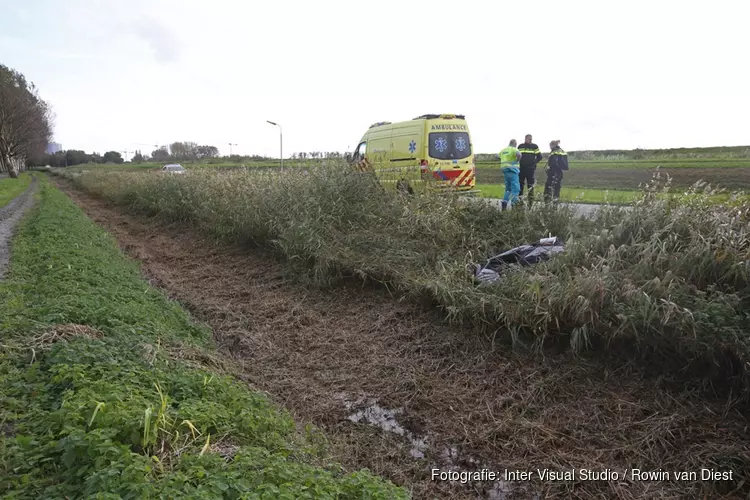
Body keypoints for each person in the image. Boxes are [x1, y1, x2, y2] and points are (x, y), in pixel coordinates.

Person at [518, 134, 543, 206]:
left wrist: (533, 163)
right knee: (520, 185)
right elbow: (516, 156)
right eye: (529, 139)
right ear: (525, 139)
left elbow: (540, 157)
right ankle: (520, 201)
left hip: (530, 169)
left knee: (530, 186)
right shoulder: (520, 146)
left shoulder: (535, 146)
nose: (530, 140)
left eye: (531, 139)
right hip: (521, 169)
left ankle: (530, 202)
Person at [499, 139, 522, 210]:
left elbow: (497, 156)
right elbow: (519, 154)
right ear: (515, 144)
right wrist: (517, 160)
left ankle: (504, 204)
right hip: (512, 170)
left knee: (508, 189)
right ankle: (514, 205)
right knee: (515, 189)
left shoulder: (503, 150)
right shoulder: (513, 149)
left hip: (505, 171)